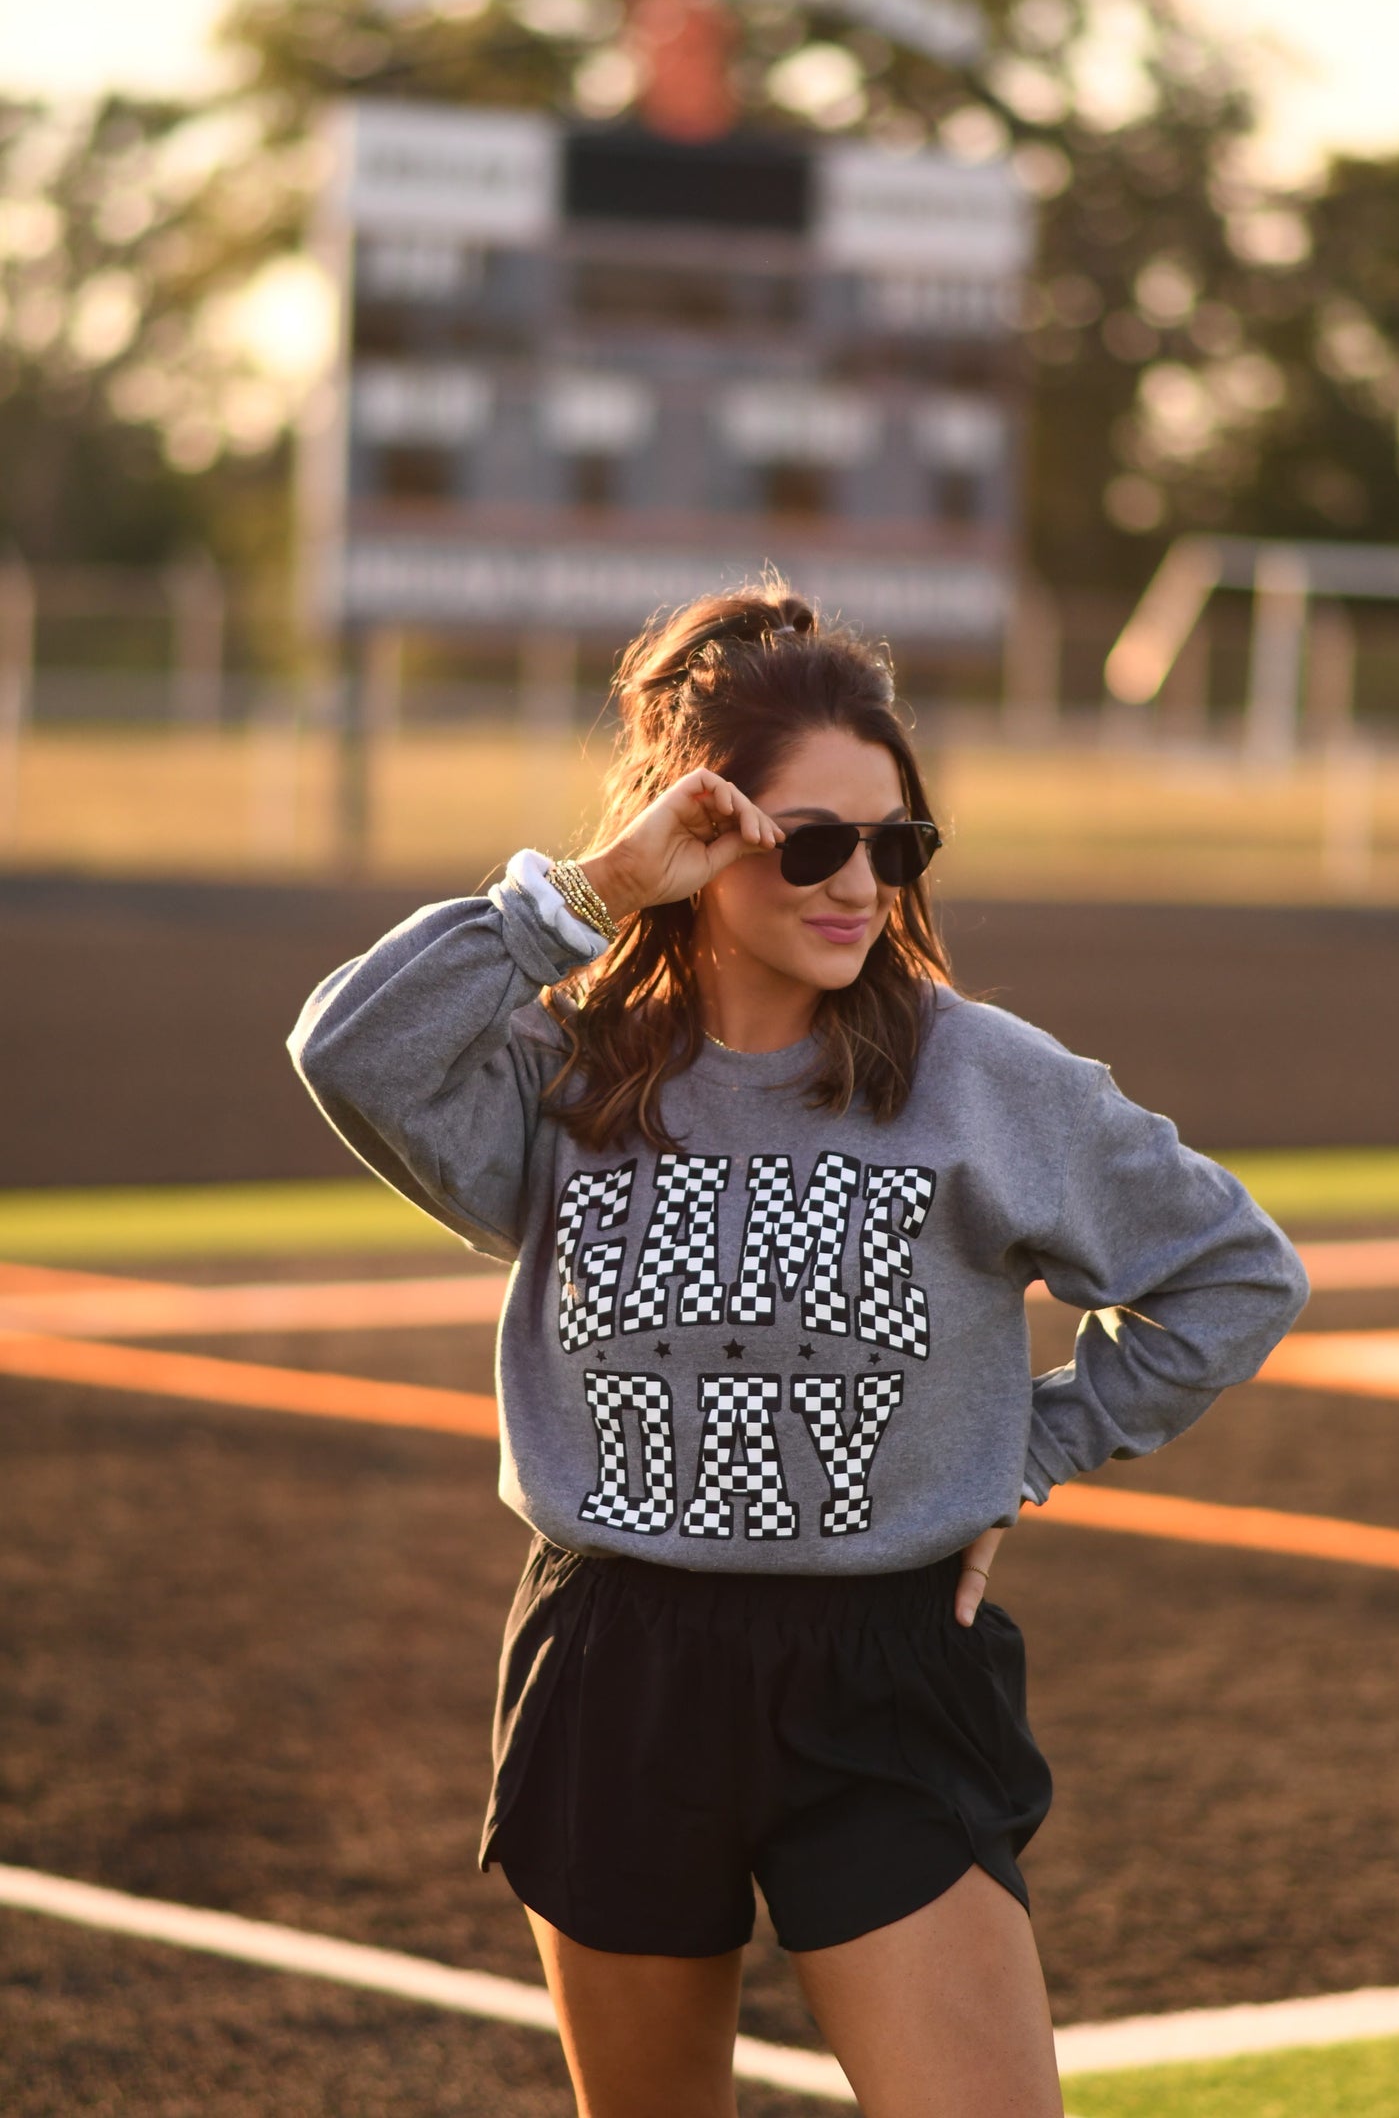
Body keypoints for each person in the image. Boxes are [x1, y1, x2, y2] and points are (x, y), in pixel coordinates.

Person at [289, 583, 1310, 2118]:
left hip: (885, 1676)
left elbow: (1234, 1273)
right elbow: (348, 1046)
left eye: (894, 847)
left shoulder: (985, 1078)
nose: (858, 886)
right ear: (696, 839)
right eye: (812, 841)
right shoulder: (567, 1079)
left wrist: (1016, 1453)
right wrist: (583, 892)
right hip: (618, 1660)